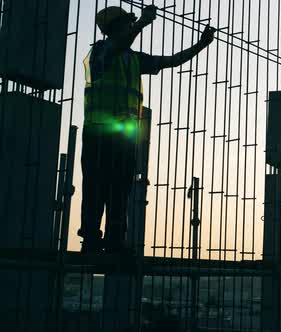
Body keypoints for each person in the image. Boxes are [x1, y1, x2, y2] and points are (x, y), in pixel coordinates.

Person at [78, 5, 216, 253]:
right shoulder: (99, 52)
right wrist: (142, 23)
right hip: (98, 135)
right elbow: (116, 46)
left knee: (120, 190)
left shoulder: (133, 59)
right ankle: (90, 240)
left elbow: (172, 61)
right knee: (96, 189)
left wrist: (201, 45)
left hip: (123, 137)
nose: (128, 28)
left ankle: (115, 242)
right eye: (125, 24)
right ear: (112, 29)